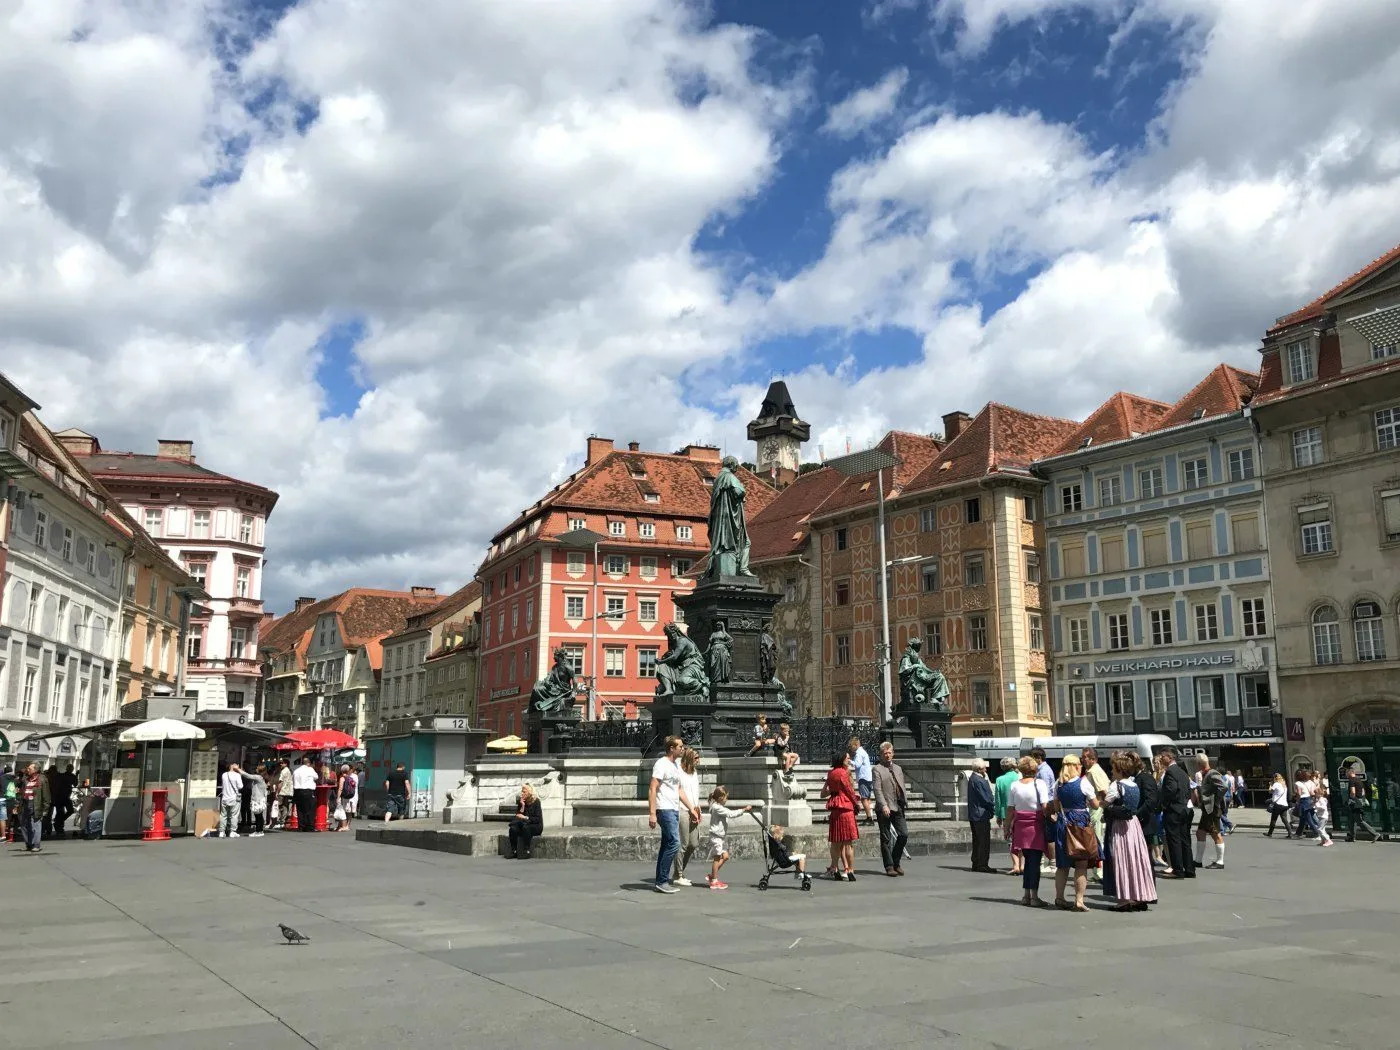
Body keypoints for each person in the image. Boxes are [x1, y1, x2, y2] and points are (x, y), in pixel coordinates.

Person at [1102, 753, 1157, 912]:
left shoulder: (1116, 786)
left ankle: (1124, 899)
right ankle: (1140, 895)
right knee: (1136, 860)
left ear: (1119, 770)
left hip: (1120, 826)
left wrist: (1100, 802)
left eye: (1113, 769)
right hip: (1134, 825)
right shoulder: (1133, 785)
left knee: (1122, 859)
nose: (1112, 771)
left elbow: (1105, 803)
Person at [648, 736, 699, 894]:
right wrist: (652, 813)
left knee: (666, 845)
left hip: (674, 809)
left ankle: (660, 881)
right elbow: (652, 788)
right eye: (680, 747)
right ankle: (663, 880)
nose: (682, 749)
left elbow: (679, 790)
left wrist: (691, 808)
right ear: (671, 748)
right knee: (675, 843)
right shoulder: (661, 764)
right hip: (664, 809)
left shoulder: (676, 766)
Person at [1052, 754, 1098, 911]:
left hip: (1063, 823)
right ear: (1076, 766)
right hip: (1080, 823)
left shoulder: (1058, 784)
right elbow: (1095, 805)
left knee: (1062, 865)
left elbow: (1056, 807)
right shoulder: (1083, 783)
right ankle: (1078, 900)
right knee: (1081, 863)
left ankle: (1059, 897)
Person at [1007, 757, 1050, 907]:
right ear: (1035, 769)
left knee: (1027, 858)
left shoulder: (1014, 785)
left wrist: (1007, 827)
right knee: (1035, 861)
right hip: (1035, 825)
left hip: (1020, 825)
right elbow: (1044, 807)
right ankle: (1034, 896)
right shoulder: (1040, 784)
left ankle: (1026, 894)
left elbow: (1010, 809)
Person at [872, 741, 910, 877]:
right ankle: (889, 866)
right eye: (885, 753)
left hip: (898, 805)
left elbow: (902, 786)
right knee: (886, 837)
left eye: (889, 753)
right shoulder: (877, 769)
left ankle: (896, 861)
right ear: (881, 755)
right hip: (885, 808)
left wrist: (905, 801)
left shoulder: (898, 768)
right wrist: (883, 805)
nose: (887, 755)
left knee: (903, 834)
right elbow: (877, 789)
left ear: (893, 753)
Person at [821, 751, 860, 881]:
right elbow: (849, 791)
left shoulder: (831, 773)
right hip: (845, 808)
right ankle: (850, 870)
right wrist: (856, 804)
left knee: (836, 842)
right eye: (847, 758)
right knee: (848, 843)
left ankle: (835, 867)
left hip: (835, 809)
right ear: (841, 759)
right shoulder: (843, 773)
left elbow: (826, 792)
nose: (849, 760)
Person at [705, 786, 750, 889]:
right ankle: (714, 881)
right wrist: (743, 810)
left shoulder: (717, 806)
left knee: (725, 856)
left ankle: (712, 875)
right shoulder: (717, 808)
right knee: (717, 858)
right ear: (721, 798)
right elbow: (730, 814)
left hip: (720, 837)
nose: (727, 800)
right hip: (716, 837)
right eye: (726, 797)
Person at [1159, 748, 1194, 878]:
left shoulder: (1170, 772)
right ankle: (1189, 869)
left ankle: (1178, 869)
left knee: (1174, 840)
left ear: (1170, 757)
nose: (1161, 759)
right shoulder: (1182, 772)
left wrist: (1164, 804)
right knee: (1185, 839)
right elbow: (1188, 789)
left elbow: (1171, 789)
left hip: (1174, 809)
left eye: (1163, 756)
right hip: (1184, 808)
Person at [672, 748, 702, 886]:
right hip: (683, 810)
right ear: (689, 758)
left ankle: (679, 872)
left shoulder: (694, 773)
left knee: (693, 843)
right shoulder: (679, 772)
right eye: (696, 758)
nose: (698, 760)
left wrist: (697, 807)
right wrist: (690, 808)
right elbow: (680, 791)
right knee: (683, 843)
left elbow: (694, 791)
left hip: (694, 810)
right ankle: (678, 875)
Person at [1192, 755, 1228, 869]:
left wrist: (1215, 799)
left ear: (1199, 764)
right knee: (1200, 832)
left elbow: (1224, 786)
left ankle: (1220, 862)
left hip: (1212, 809)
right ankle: (1198, 860)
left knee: (1215, 833)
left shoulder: (1212, 773)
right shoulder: (1207, 773)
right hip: (1207, 809)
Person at [1081, 747, 1111, 882]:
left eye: (1084, 757)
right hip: (1096, 807)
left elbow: (1104, 791)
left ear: (1093, 759)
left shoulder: (1094, 772)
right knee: (1097, 839)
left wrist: (1106, 807)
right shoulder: (1092, 771)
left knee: (1098, 840)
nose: (1082, 760)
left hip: (1098, 807)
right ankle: (1098, 871)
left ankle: (1100, 872)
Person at [967, 759, 996, 873]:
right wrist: (992, 808)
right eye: (984, 767)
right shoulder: (980, 781)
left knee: (977, 840)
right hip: (981, 814)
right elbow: (987, 798)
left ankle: (976, 862)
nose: (986, 769)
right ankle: (982, 864)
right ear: (979, 769)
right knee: (983, 840)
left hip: (974, 814)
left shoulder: (973, 779)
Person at [1031, 747, 1057, 873]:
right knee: (1046, 834)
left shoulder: (1044, 771)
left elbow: (1045, 791)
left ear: (1038, 758)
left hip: (1046, 805)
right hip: (1046, 804)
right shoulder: (1043, 769)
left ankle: (1052, 863)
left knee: (1048, 835)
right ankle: (1049, 862)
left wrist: (1045, 809)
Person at [993, 757, 1021, 876]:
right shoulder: (1019, 777)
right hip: (1020, 811)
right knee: (1021, 839)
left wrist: (998, 815)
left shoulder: (1000, 780)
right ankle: (1023, 864)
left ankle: (1015, 865)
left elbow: (998, 800)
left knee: (1010, 839)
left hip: (1006, 813)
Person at [18, 762, 50, 853]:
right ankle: (29, 844)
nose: (27, 770)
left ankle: (36, 845)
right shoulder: (26, 779)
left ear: (36, 770)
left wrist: (45, 810)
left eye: (30, 769)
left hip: (36, 804)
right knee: (24, 824)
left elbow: (46, 796)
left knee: (36, 825)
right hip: (25, 803)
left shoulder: (42, 780)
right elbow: (22, 792)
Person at [1343, 765, 1379, 842]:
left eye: (1346, 772)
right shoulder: (1359, 780)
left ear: (1350, 772)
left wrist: (1351, 799)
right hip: (1358, 802)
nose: (1346, 774)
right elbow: (1363, 791)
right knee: (1351, 820)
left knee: (1359, 821)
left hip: (1355, 803)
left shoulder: (1351, 780)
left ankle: (1375, 834)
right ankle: (1352, 837)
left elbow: (1353, 792)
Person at [508, 783, 544, 858]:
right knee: (513, 829)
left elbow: (537, 819)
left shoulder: (536, 801)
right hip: (523, 824)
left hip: (536, 826)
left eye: (524, 792)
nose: (522, 793)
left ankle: (526, 851)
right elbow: (518, 815)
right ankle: (514, 851)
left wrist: (525, 817)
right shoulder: (521, 802)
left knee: (526, 828)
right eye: (522, 791)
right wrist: (523, 805)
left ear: (529, 792)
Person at [849, 736, 875, 824]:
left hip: (863, 778)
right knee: (867, 798)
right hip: (868, 777)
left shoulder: (859, 753)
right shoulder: (863, 752)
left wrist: (850, 761)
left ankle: (869, 818)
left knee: (864, 798)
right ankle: (870, 816)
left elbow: (857, 764)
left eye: (851, 746)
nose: (850, 748)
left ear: (856, 745)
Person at [291, 755, 318, 831]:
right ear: (309, 763)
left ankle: (301, 826)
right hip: (308, 790)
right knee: (310, 809)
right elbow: (316, 777)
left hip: (297, 791)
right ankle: (309, 826)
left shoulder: (296, 771)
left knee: (300, 809)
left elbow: (293, 780)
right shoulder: (310, 770)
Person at [219, 763, 245, 838]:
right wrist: (240, 771)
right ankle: (233, 831)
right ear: (234, 766)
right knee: (234, 815)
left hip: (225, 798)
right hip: (234, 798)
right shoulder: (237, 775)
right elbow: (240, 786)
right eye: (238, 766)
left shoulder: (224, 775)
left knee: (223, 815)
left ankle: (222, 831)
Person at [1265, 772, 1292, 838]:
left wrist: (1271, 785)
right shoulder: (1284, 785)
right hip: (1285, 804)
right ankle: (1290, 833)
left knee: (1273, 819)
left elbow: (1270, 791)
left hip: (1278, 804)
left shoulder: (1276, 784)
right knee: (1285, 820)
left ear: (1275, 778)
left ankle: (1270, 833)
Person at [246, 764, 268, 837]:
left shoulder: (258, 777)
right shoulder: (262, 778)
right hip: (260, 798)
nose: (256, 769)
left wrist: (239, 770)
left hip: (258, 799)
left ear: (260, 770)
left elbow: (248, 776)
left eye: (257, 768)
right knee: (259, 815)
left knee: (258, 816)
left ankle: (259, 831)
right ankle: (260, 830)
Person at [1313, 775, 1334, 847]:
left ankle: (1328, 840)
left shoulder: (1321, 799)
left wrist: (1316, 806)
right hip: (1321, 816)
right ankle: (1323, 840)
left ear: (1318, 793)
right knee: (1322, 829)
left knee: (1320, 829)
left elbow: (1323, 807)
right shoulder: (1319, 799)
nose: (1314, 795)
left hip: (1323, 816)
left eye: (1315, 793)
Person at [333, 763, 355, 832]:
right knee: (346, 811)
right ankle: (341, 826)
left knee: (342, 811)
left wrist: (338, 797)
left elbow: (340, 789)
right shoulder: (350, 778)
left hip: (343, 797)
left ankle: (344, 826)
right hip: (348, 796)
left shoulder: (342, 778)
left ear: (342, 770)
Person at [275, 758, 294, 829]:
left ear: (286, 764)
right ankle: (283, 821)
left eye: (282, 763)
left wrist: (277, 791)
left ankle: (280, 820)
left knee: (280, 806)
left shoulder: (283, 771)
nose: (281, 764)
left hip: (282, 791)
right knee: (285, 806)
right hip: (288, 791)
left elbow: (281, 782)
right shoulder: (289, 771)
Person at [0, 764, 13, 845]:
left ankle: (3, 836)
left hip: (2, 799)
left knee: (2, 818)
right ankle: (7, 834)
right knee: (8, 817)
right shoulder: (14, 779)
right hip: (11, 800)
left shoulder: (1, 778)